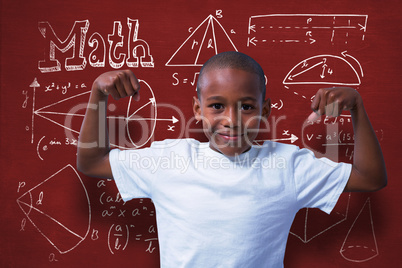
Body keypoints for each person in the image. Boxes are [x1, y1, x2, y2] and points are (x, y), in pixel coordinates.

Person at [77, 51, 387, 267]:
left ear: (265, 111)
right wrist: (98, 95)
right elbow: (91, 163)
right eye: (216, 106)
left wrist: (357, 108)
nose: (232, 119)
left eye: (248, 107)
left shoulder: (288, 166)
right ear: (198, 110)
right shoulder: (169, 160)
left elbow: (370, 178)